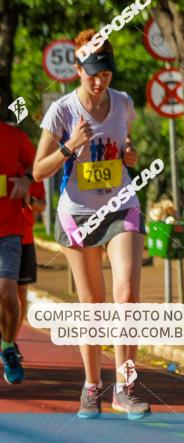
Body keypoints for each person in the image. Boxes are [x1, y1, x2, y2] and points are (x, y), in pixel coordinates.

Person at [33, 29, 149, 418]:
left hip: (121, 205)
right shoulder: (63, 112)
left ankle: (125, 387)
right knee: (92, 306)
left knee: (127, 296)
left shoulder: (124, 103)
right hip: (78, 214)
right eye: (92, 73)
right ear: (78, 69)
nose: (100, 82)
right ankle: (90, 385)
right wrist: (70, 146)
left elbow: (124, 146)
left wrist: (131, 155)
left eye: (106, 74)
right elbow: (37, 171)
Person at [0, 107, 35, 385]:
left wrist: (27, 180)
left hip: (8, 229)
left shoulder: (15, 137)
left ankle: (8, 347)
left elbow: (40, 165)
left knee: (8, 294)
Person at [14, 177, 46, 360]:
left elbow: (41, 206)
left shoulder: (33, 175)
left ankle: (11, 341)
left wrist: (30, 199)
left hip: (24, 238)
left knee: (21, 294)